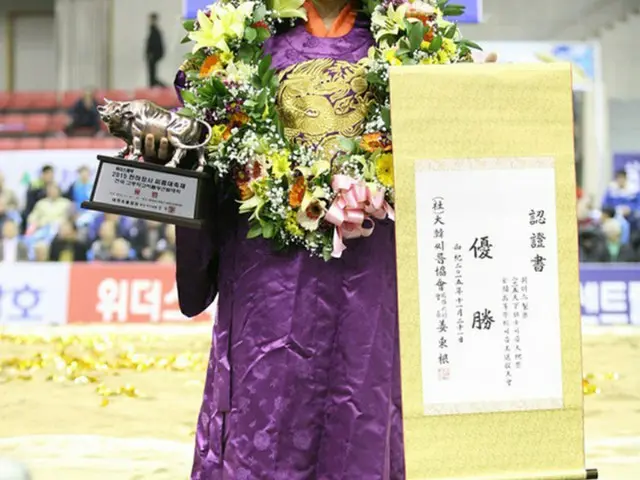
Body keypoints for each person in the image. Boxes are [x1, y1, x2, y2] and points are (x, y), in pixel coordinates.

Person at [142, 2, 498, 478]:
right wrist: (175, 151)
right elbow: (206, 156)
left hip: (371, 279)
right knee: (264, 415)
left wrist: (472, 100)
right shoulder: (245, 41)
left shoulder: (409, 44)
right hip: (266, 284)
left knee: (365, 412)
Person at [146, 13, 166, 87]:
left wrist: (152, 54)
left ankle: (162, 86)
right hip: (152, 56)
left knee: (152, 75)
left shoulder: (155, 31)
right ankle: (156, 86)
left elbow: (155, 44)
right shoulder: (153, 30)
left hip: (153, 56)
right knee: (152, 75)